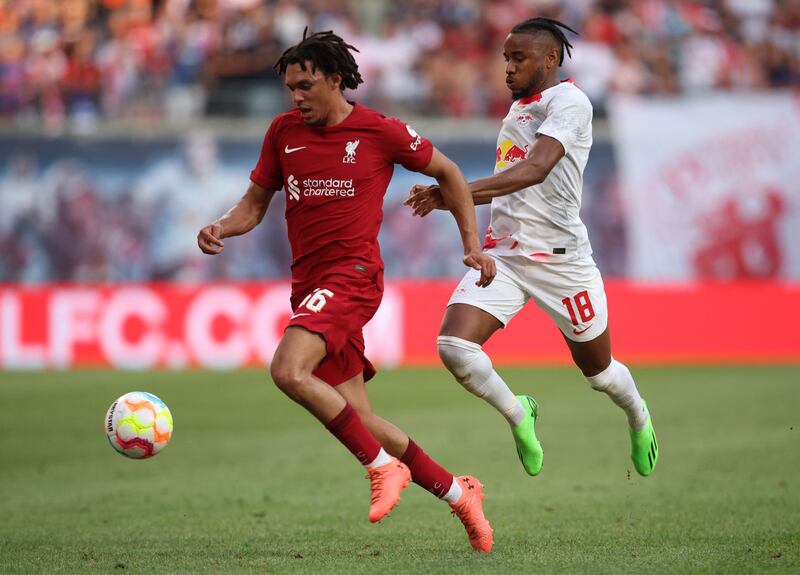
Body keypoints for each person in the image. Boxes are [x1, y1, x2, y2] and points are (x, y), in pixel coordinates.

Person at [197, 30, 495, 553]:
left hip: (353, 276)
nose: (296, 97)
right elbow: (252, 204)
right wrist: (221, 226)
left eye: (306, 85)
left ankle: (382, 469)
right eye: (290, 88)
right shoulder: (282, 132)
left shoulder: (379, 131)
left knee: (288, 370)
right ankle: (458, 491)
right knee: (361, 419)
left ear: (336, 80)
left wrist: (470, 243)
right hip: (309, 286)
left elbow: (448, 171)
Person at [405, 17, 658, 479]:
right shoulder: (519, 108)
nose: (507, 67)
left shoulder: (570, 102)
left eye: (517, 58)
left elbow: (536, 168)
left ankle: (639, 416)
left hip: (563, 263)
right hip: (505, 257)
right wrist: (453, 197)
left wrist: (454, 190)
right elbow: (511, 183)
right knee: (454, 346)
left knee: (599, 375)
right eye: (505, 58)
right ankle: (519, 413)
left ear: (550, 58)